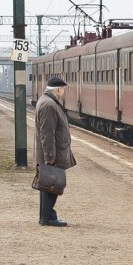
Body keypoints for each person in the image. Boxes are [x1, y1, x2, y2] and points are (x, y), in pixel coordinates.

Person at [34, 77, 77, 227]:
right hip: (53, 154)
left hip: (53, 152)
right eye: (63, 89)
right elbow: (47, 134)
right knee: (50, 185)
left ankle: (46, 215)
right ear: (57, 89)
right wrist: (50, 157)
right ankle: (47, 217)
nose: (64, 92)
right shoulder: (49, 105)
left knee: (48, 184)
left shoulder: (47, 102)